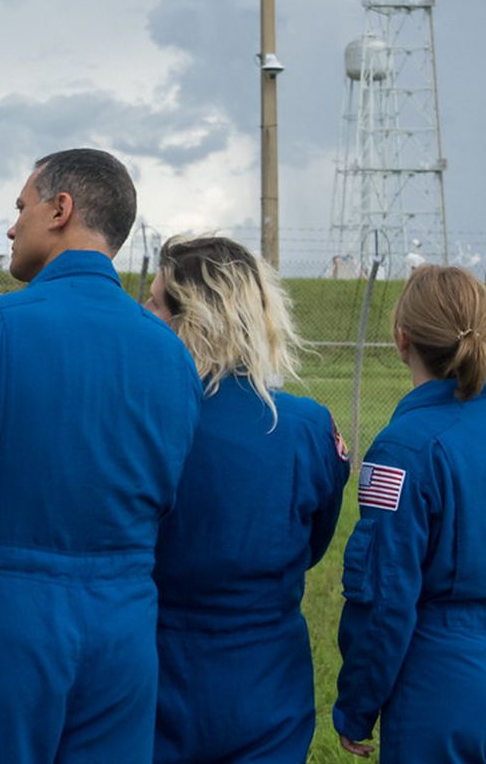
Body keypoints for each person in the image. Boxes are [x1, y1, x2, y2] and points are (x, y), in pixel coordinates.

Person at [0, 148, 203, 764]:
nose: (10, 225)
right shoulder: (170, 354)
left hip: (5, 609)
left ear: (61, 209)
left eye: (21, 206)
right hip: (126, 619)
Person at [334, 265, 486, 761]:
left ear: (403, 340)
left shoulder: (403, 448)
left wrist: (358, 705)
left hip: (443, 678)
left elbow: (385, 595)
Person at [143, 235, 350, 763]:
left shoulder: (146, 419)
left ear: (190, 319)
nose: (143, 312)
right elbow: (314, 542)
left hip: (156, 670)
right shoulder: (308, 428)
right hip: (267, 680)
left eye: (155, 301)